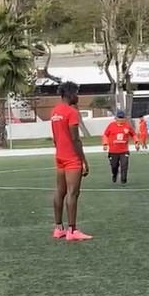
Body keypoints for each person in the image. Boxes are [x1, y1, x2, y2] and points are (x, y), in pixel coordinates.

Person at [50, 81, 91, 241]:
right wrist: (84, 161)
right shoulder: (71, 112)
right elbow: (75, 139)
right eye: (76, 93)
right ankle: (72, 230)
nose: (78, 96)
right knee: (73, 193)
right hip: (71, 158)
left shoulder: (55, 111)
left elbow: (55, 137)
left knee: (60, 192)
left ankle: (58, 228)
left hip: (59, 156)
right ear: (70, 94)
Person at [103, 110, 139, 184]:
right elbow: (105, 135)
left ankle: (123, 179)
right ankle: (114, 175)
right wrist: (105, 144)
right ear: (116, 118)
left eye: (122, 118)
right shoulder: (111, 125)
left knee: (124, 165)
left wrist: (136, 142)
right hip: (113, 151)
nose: (121, 120)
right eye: (119, 118)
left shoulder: (127, 126)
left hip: (124, 150)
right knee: (114, 166)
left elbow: (133, 135)